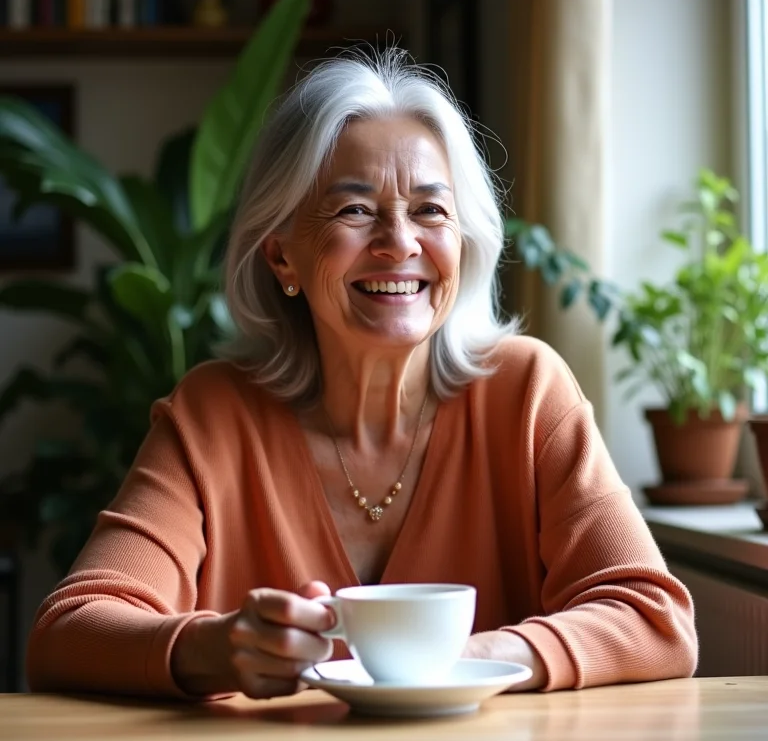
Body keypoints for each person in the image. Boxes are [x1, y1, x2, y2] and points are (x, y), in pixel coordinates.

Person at [26, 49, 697, 699]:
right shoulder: (214, 414)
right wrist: (218, 648)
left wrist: (461, 663)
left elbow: (654, 619)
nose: (399, 242)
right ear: (282, 257)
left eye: (430, 210)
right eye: (355, 210)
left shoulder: (527, 392)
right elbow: (67, 632)